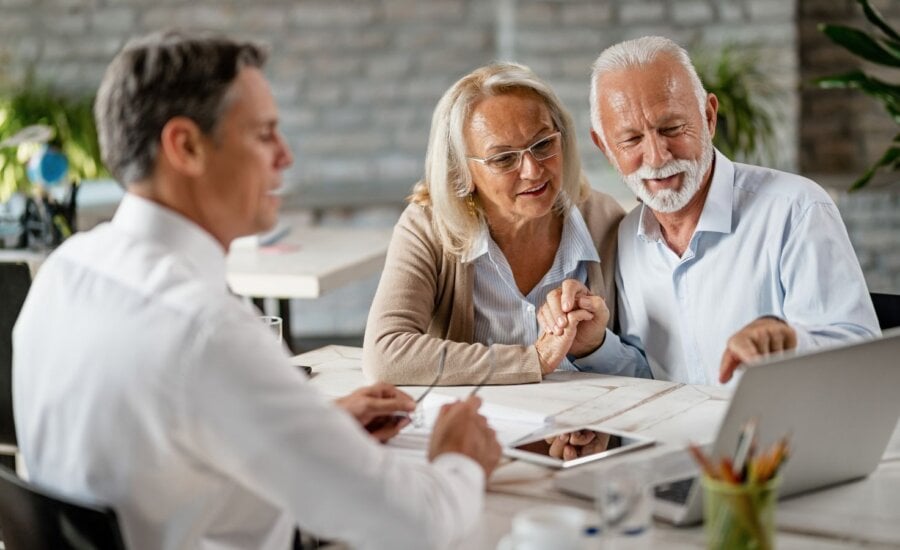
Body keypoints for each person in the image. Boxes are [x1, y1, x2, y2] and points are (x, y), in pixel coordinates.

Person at [12, 31, 500, 550]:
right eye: (265, 134)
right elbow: (418, 526)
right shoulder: (205, 329)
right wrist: (459, 460)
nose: (285, 156)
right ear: (186, 146)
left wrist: (310, 431)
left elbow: (157, 454)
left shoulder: (63, 273)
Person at [541, 35, 880, 386]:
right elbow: (651, 378)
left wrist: (789, 342)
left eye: (672, 128)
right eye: (631, 140)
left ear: (709, 116)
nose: (657, 157)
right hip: (680, 439)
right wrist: (593, 346)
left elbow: (861, 358)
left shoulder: (796, 209)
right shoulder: (628, 236)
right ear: (605, 148)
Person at [363, 62, 644, 386]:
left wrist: (595, 347)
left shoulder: (606, 221)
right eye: (503, 158)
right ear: (462, 173)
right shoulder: (428, 228)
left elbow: (647, 370)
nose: (532, 171)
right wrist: (534, 360)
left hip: (580, 429)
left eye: (542, 145)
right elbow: (385, 355)